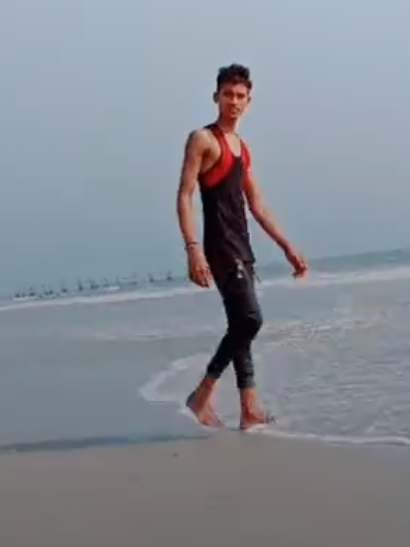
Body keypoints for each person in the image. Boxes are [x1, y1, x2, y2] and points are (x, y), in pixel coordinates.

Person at [176, 63, 307, 430]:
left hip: (242, 247)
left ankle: (249, 409)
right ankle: (202, 393)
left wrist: (287, 247)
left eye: (240, 96)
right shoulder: (203, 139)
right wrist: (192, 248)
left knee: (240, 325)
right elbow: (184, 194)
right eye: (228, 94)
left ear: (249, 101)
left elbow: (257, 205)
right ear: (215, 97)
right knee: (251, 320)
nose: (234, 101)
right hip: (220, 247)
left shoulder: (242, 149)